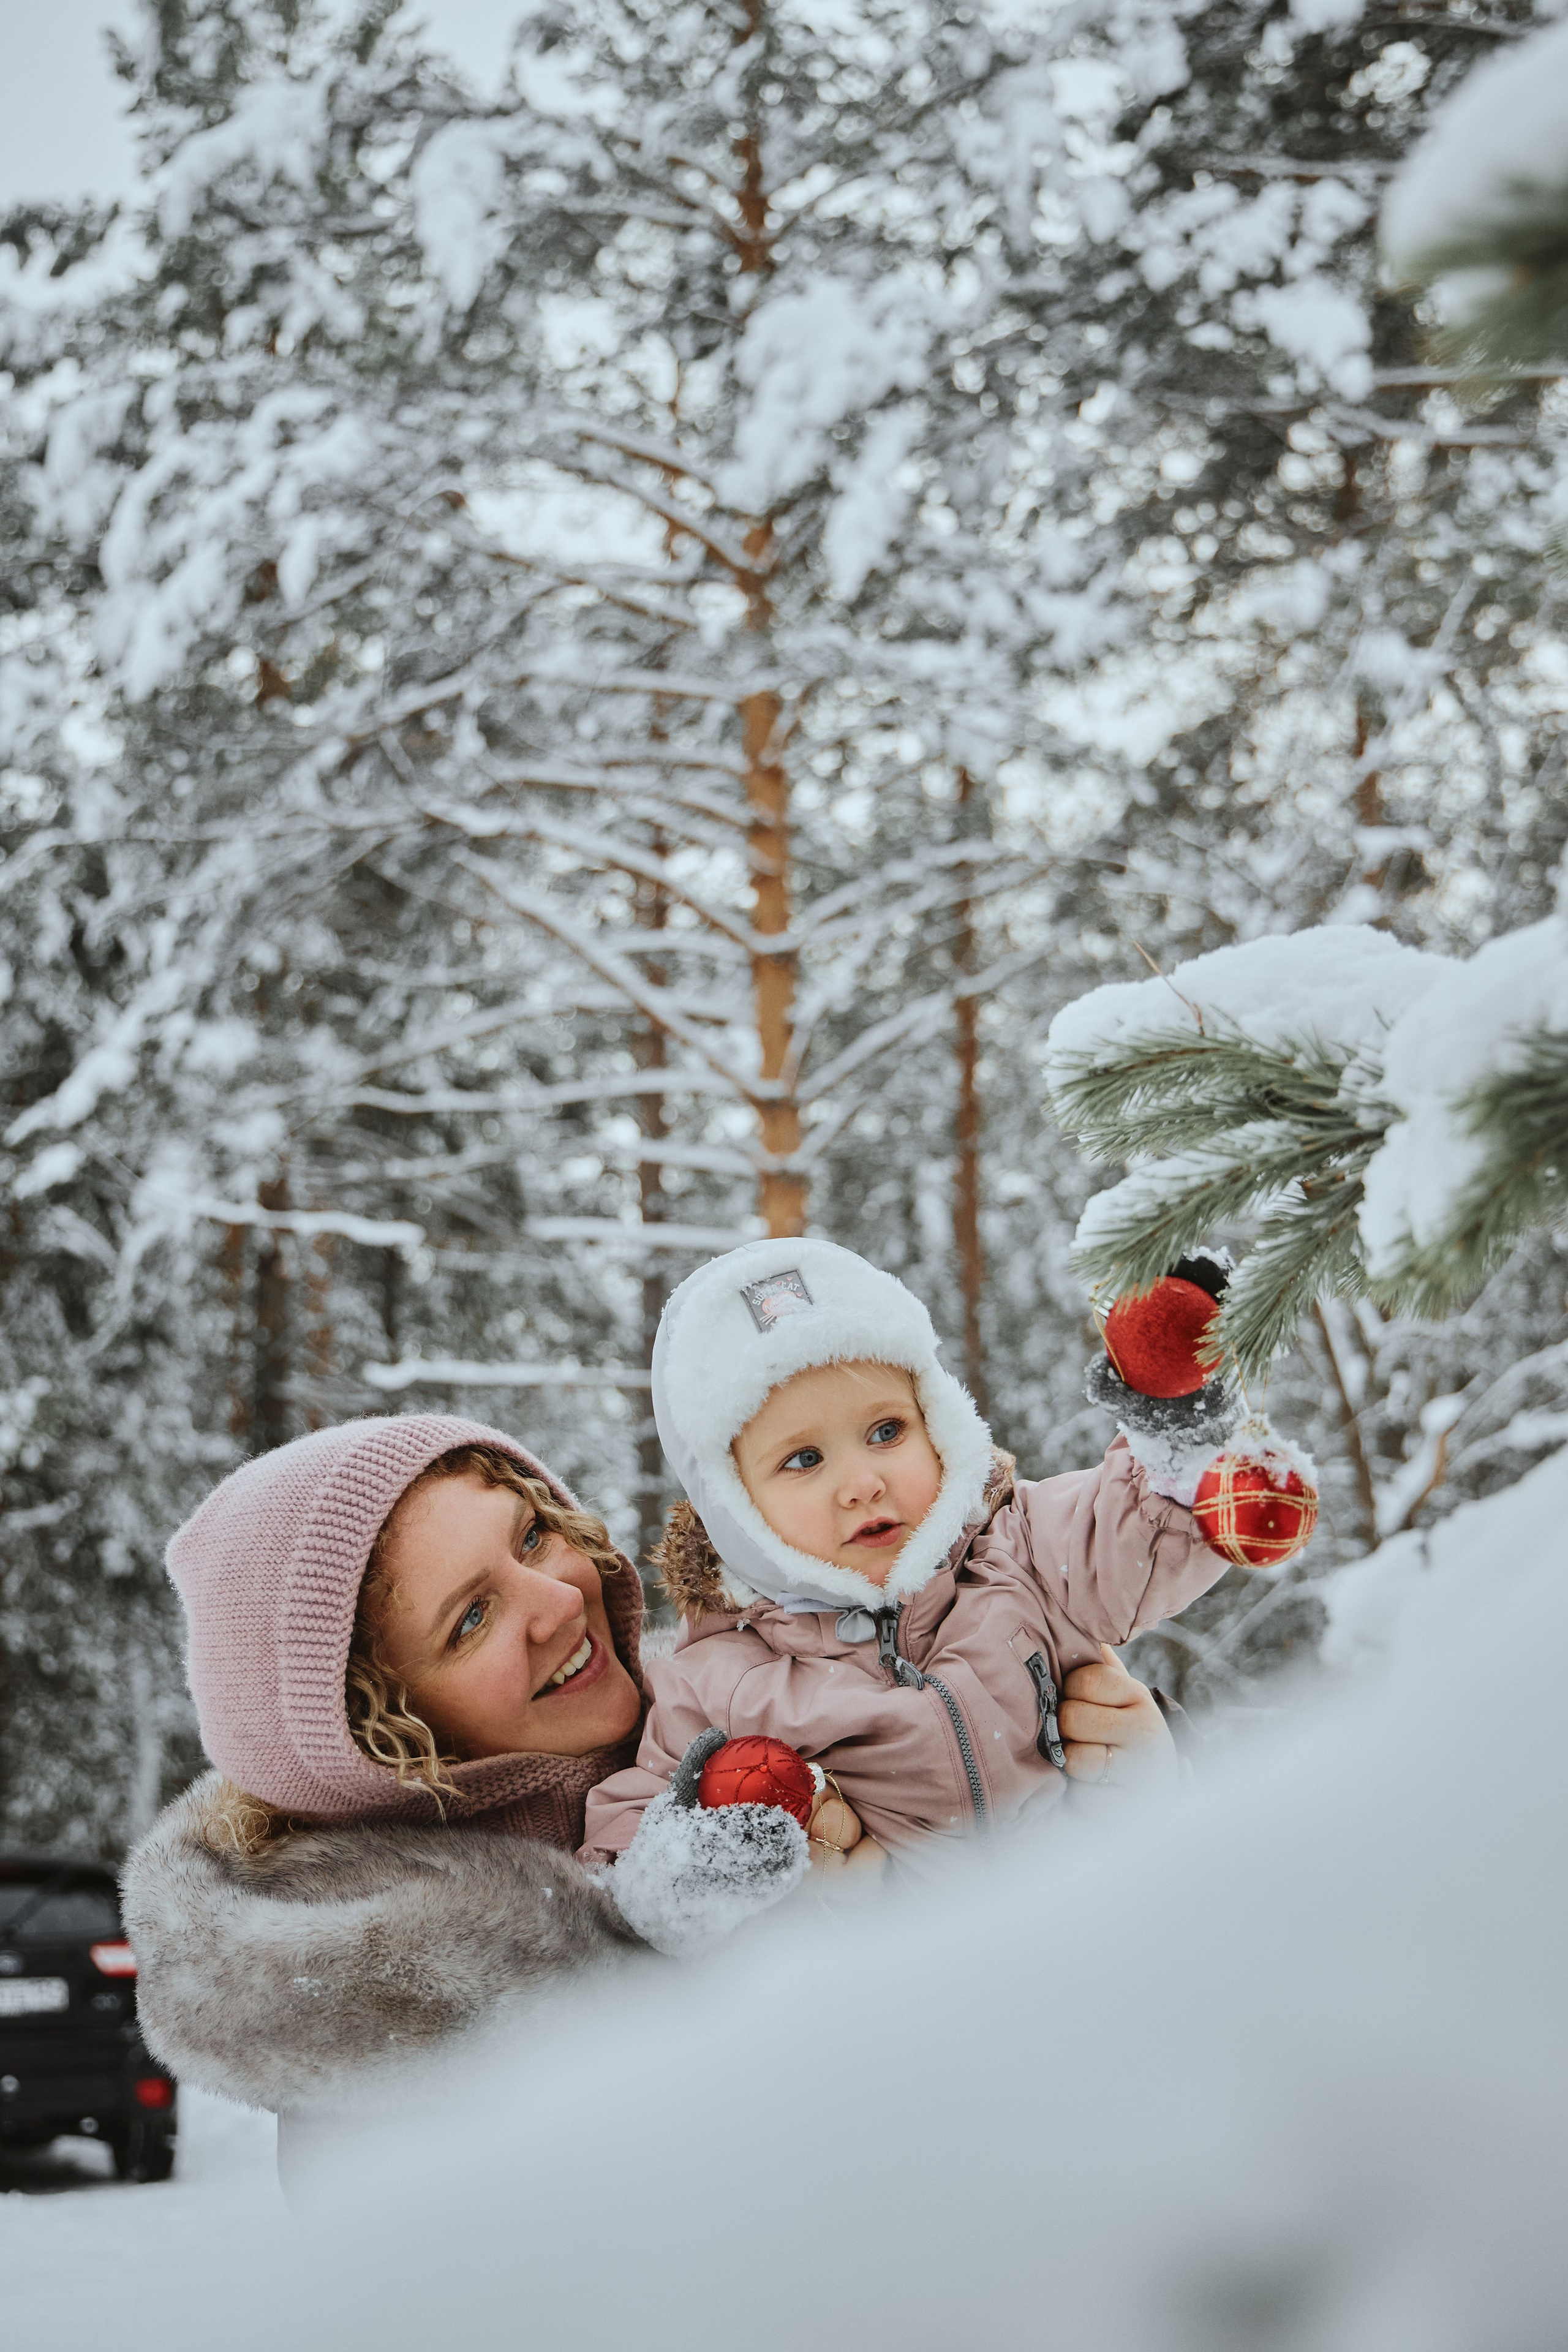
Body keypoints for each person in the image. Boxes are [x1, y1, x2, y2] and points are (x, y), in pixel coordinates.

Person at [124, 1411, 1178, 2117]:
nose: (555, 1600)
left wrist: (1122, 1808)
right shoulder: (392, 2028)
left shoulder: (771, 1721)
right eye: (472, 1618)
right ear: (381, 1740)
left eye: (532, 1535)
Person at [584, 1240, 1219, 1871]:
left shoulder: (1016, 1552)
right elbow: (629, 1849)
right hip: (899, 1964)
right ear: (733, 1506)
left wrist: (1174, 1406)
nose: (862, 1482)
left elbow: (1149, 1526)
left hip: (1088, 1915)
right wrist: (703, 1877)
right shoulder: (718, 1684)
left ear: (938, 1423)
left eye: (886, 1432)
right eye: (804, 1459)